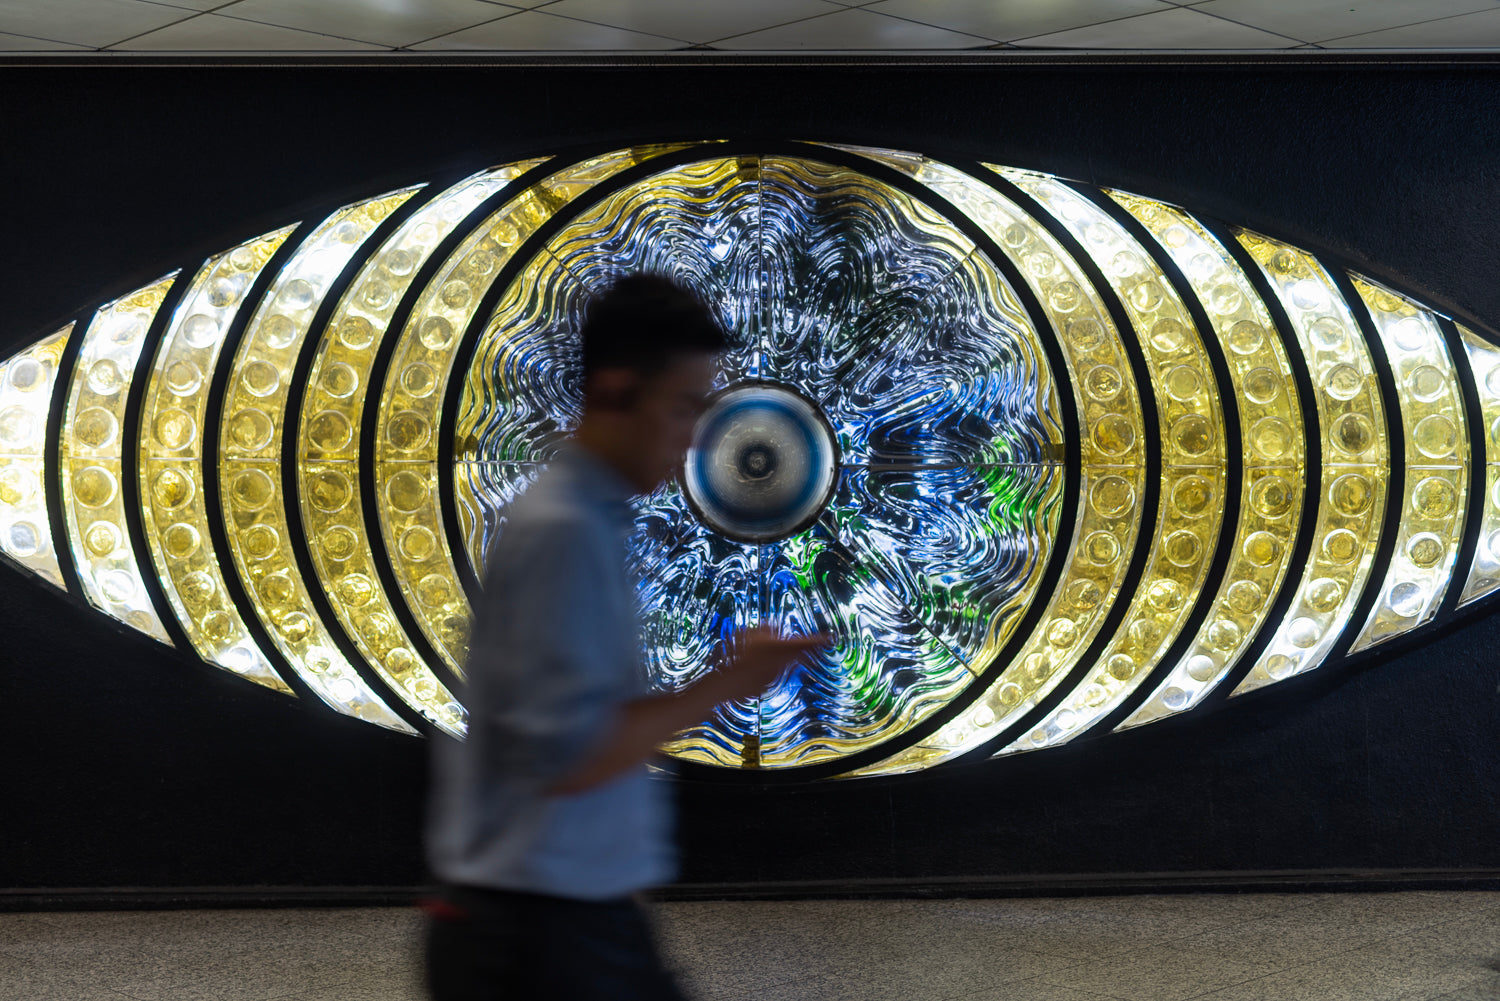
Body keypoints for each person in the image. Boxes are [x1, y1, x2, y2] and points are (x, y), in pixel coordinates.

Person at [424, 273, 826, 1000]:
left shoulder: (588, 519)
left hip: (570, 917)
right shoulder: (564, 532)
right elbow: (572, 751)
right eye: (682, 408)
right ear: (613, 392)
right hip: (537, 940)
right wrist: (729, 684)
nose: (698, 440)